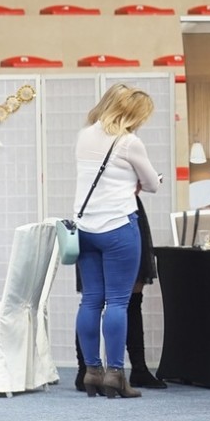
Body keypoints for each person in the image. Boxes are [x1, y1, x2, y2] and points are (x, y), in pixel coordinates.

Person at [73, 84, 166, 392]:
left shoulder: (84, 135)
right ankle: (115, 375)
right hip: (118, 227)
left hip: (85, 229)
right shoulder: (129, 142)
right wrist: (139, 182)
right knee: (117, 302)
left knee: (90, 300)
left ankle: (91, 372)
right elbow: (152, 184)